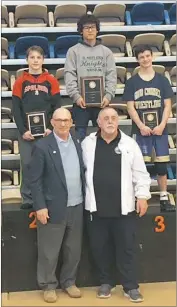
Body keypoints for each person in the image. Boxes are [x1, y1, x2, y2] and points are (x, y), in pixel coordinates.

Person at [81, 107, 151, 302]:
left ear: (118, 122)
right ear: (99, 123)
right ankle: (106, 283)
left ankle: (130, 286)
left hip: (124, 209)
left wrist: (143, 196)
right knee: (100, 248)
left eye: (113, 118)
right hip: (96, 209)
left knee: (126, 248)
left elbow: (141, 173)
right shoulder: (88, 143)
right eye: (106, 118)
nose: (110, 121)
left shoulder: (130, 144)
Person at [29, 108, 85, 303]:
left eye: (67, 120)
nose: (63, 124)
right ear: (51, 122)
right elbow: (34, 181)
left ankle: (69, 282)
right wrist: (40, 206)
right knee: (49, 250)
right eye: (59, 120)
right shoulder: (42, 146)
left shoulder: (78, 142)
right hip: (52, 207)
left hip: (77, 205)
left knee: (73, 249)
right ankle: (48, 285)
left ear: (71, 122)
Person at [123, 45, 175, 212]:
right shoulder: (132, 82)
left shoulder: (162, 80)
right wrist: (141, 126)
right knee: (140, 166)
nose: (145, 59)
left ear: (152, 57)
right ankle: (140, 198)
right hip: (140, 130)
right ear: (137, 60)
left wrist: (161, 125)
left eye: (147, 56)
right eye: (141, 57)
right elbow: (130, 107)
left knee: (161, 166)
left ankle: (164, 197)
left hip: (159, 130)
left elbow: (168, 106)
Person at [12, 45, 61, 209]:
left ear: (43, 60)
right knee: (27, 164)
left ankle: (47, 196)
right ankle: (27, 198)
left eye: (38, 57)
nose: (35, 61)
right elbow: (16, 109)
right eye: (32, 57)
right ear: (27, 60)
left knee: (48, 164)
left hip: (47, 131)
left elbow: (57, 106)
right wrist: (22, 131)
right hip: (26, 132)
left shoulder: (51, 80)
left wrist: (51, 128)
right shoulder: (20, 81)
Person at [64, 13, 117, 141]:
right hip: (81, 103)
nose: (90, 30)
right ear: (81, 31)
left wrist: (108, 95)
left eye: (93, 27)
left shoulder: (106, 52)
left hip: (102, 102)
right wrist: (76, 96)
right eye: (86, 27)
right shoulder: (73, 51)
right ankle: (81, 161)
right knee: (79, 137)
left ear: (97, 29)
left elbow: (111, 75)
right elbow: (69, 74)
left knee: (105, 136)